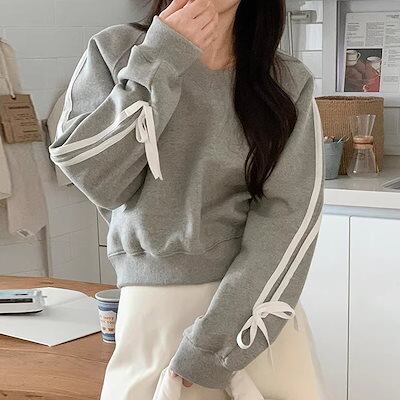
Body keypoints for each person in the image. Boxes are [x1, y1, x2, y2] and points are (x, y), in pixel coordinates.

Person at [48, 0, 325, 398]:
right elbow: (96, 177)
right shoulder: (114, 51)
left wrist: (214, 347)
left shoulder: (286, 81)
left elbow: (288, 222)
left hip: (251, 322)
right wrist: (162, 56)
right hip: (152, 318)